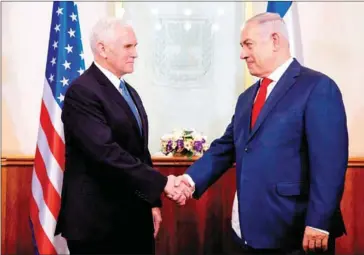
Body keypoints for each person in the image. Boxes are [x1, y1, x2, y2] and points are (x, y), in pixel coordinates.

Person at [172, 12, 348, 254]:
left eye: (248, 44)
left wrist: (318, 222)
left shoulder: (317, 87)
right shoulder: (247, 98)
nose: (242, 53)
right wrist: (189, 181)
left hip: (296, 231)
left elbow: (330, 163)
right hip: (248, 232)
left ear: (275, 40)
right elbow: (226, 147)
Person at [55, 17, 189, 255]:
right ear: (103, 49)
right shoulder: (82, 92)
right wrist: (164, 183)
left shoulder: (129, 91)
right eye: (128, 46)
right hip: (97, 226)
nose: (136, 53)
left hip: (133, 219)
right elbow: (105, 153)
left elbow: (139, 152)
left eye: (135, 46)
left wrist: (152, 202)